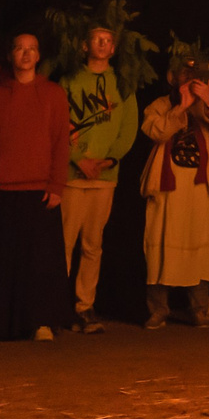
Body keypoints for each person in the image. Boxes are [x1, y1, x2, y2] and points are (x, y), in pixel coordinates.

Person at [0, 34, 73, 342]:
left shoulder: (53, 94)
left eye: (31, 49)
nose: (25, 54)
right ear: (11, 54)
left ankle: (39, 320)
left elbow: (59, 143)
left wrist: (56, 184)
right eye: (19, 48)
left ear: (38, 56)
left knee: (38, 263)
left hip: (37, 190)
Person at [60, 24, 141, 333]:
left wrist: (109, 159)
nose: (103, 44)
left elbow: (128, 129)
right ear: (85, 45)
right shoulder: (70, 80)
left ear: (113, 48)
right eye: (97, 39)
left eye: (108, 41)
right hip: (73, 174)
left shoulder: (122, 85)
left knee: (93, 245)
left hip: (105, 176)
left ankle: (85, 306)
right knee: (65, 243)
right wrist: (78, 158)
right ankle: (59, 305)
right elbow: (61, 124)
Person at [140, 62, 209, 327]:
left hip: (200, 186)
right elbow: (154, 130)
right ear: (172, 77)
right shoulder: (160, 104)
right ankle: (159, 309)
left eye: (197, 72)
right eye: (185, 71)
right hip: (168, 187)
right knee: (160, 246)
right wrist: (180, 107)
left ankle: (199, 308)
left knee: (200, 245)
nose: (191, 76)